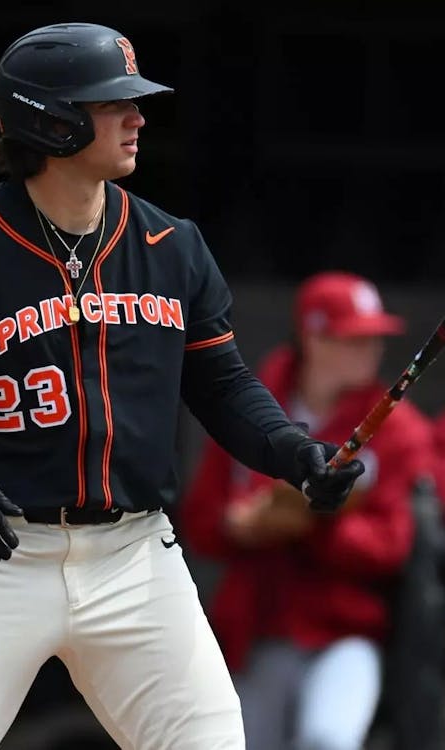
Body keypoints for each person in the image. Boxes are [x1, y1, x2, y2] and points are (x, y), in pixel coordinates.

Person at [0, 21, 364, 750]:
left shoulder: (171, 245)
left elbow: (222, 385)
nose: (138, 117)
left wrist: (293, 453)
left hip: (136, 558)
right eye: (114, 102)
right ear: (48, 121)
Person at [180, 270, 437, 750]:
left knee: (328, 740)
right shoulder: (255, 410)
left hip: (347, 632)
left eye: (375, 339)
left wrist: (313, 524)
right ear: (313, 337)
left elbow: (394, 547)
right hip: (257, 629)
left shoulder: (399, 428)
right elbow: (199, 522)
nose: (371, 351)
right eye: (354, 339)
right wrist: (243, 525)